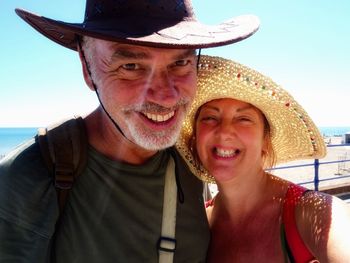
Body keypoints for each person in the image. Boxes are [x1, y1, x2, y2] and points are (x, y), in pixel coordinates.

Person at [0, 1, 260, 262]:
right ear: (86, 66)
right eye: (131, 66)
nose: (166, 97)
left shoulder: (188, 161)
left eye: (180, 62)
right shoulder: (26, 177)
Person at [176, 55, 350, 262]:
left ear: (266, 141)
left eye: (243, 119)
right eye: (210, 117)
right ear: (195, 137)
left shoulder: (312, 213)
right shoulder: (199, 223)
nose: (224, 132)